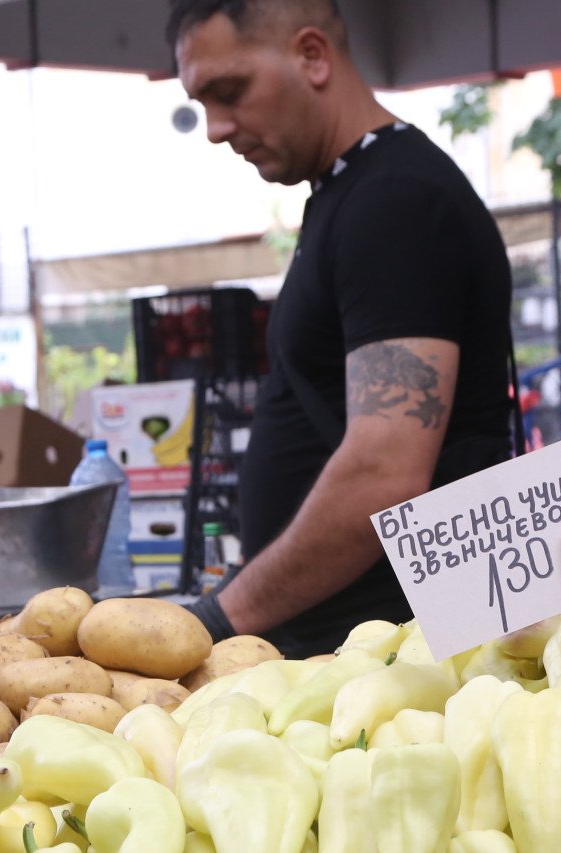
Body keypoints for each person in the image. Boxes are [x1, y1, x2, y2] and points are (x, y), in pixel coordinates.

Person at [171, 0, 517, 656]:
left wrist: (222, 617)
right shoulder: (352, 192)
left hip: (393, 664)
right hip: (361, 655)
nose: (215, 128)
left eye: (230, 91)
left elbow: (385, 471)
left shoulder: (394, 204)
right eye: (202, 102)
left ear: (312, 56)